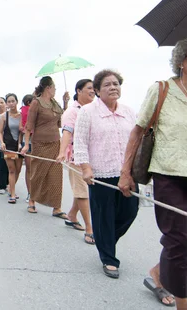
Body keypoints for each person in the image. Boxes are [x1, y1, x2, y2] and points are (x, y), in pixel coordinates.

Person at [119, 37, 187, 308]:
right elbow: (138, 131)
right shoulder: (162, 89)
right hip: (168, 174)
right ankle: (183, 305)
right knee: (179, 238)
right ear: (181, 61)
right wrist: (126, 173)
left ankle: (159, 272)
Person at [73, 70, 137, 279]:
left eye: (116, 83)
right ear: (98, 90)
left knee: (129, 212)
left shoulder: (129, 112)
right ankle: (109, 258)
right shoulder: (88, 112)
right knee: (104, 217)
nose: (113, 87)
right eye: (107, 84)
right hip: (100, 174)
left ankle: (104, 240)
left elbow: (137, 141)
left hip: (126, 173)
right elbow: (80, 141)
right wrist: (86, 167)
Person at [56, 79, 96, 245]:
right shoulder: (72, 112)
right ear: (78, 91)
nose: (93, 91)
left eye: (94, 88)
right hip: (76, 157)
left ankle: (72, 215)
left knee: (82, 190)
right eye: (89, 88)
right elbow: (67, 132)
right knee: (83, 192)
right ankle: (90, 229)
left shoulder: (92, 109)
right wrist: (61, 153)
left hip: (91, 157)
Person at [22, 77, 66, 218]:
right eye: (54, 87)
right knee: (38, 173)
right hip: (40, 143)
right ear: (48, 88)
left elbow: (61, 121)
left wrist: (66, 102)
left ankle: (56, 207)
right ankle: (32, 201)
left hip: (55, 143)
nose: (55, 90)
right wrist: (26, 145)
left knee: (55, 176)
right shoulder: (36, 103)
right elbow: (29, 125)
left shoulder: (55, 103)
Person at [0, 93, 23, 203]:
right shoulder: (4, 116)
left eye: (13, 101)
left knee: (18, 169)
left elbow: (23, 131)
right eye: (9, 101)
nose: (11, 103)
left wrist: (20, 143)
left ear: (17, 102)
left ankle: (10, 187)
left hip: (19, 146)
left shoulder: (22, 115)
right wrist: (2, 142)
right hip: (8, 145)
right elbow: (0, 132)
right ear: (7, 104)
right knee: (12, 170)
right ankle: (12, 194)